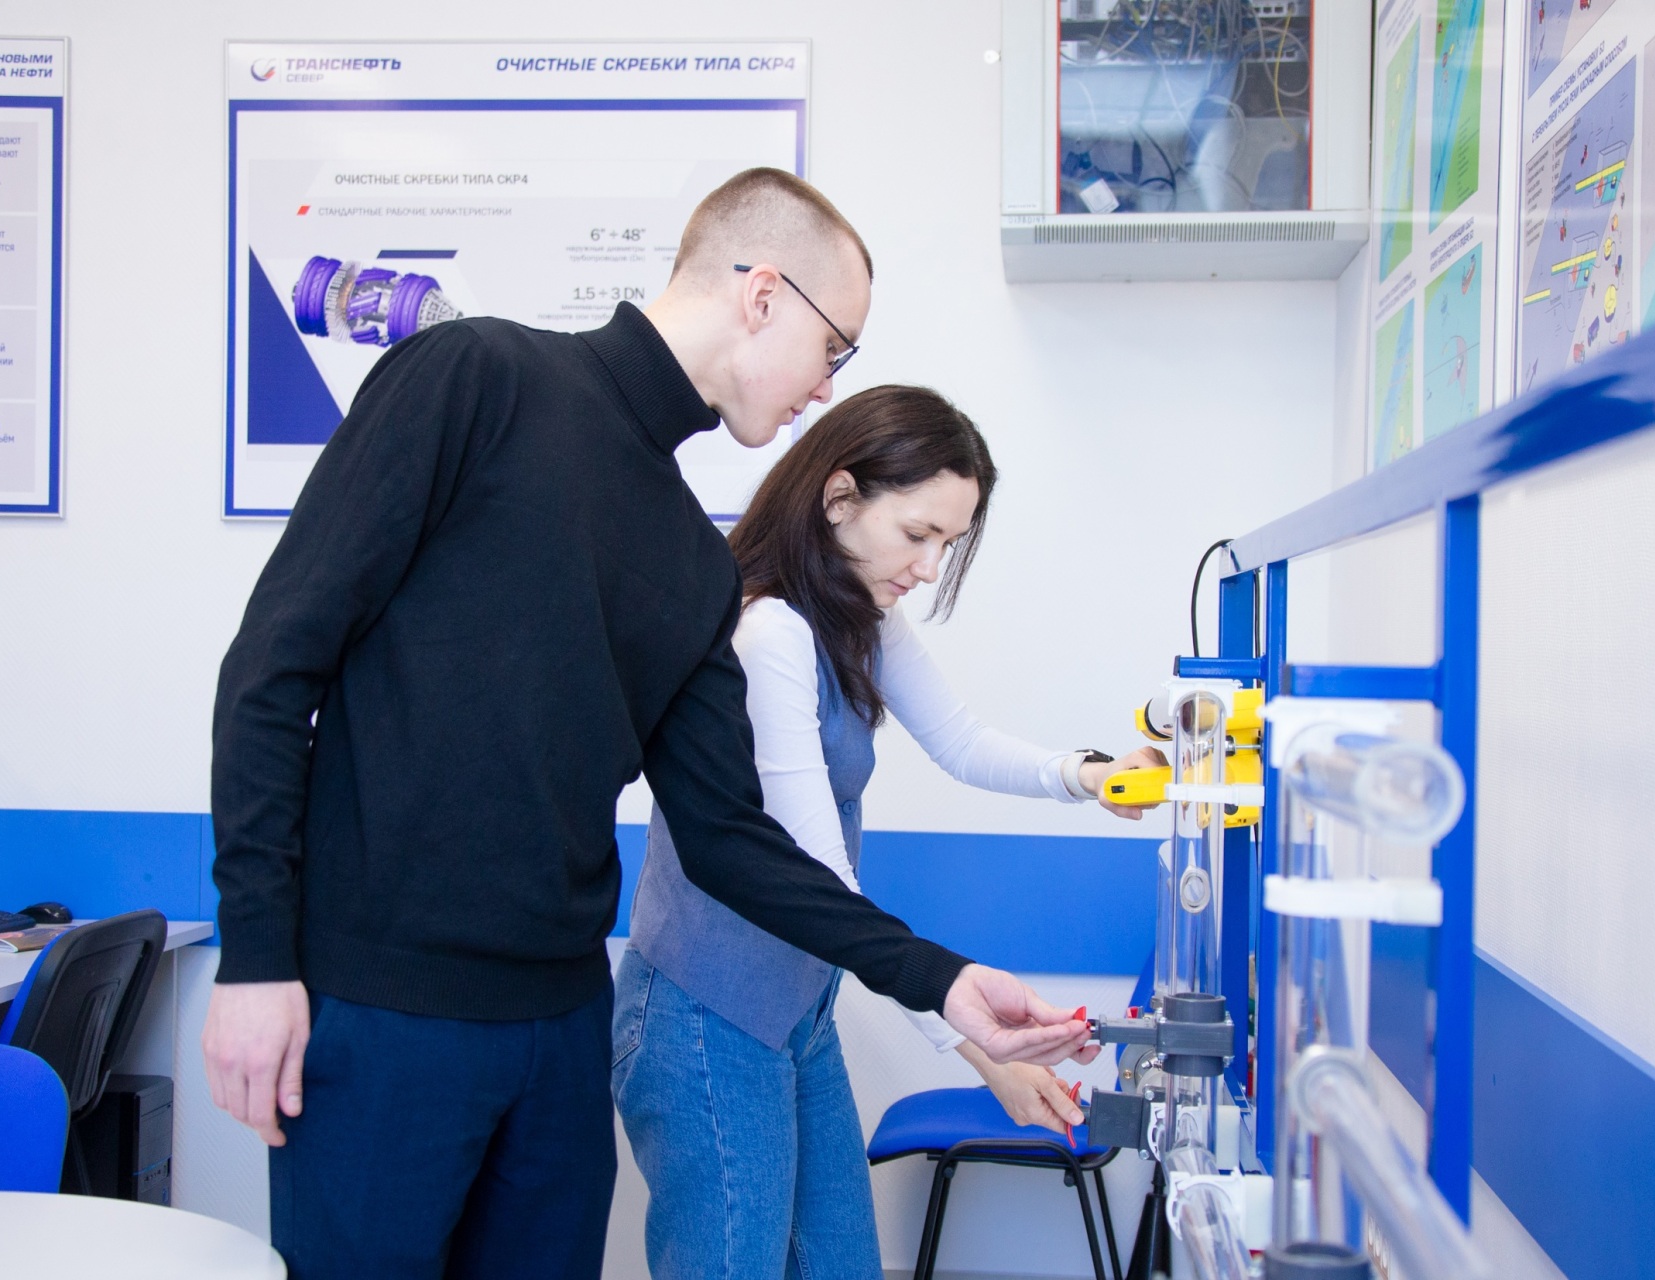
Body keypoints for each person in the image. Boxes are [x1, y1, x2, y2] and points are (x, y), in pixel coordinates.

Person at [202, 167, 1096, 1280]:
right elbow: (272, 666)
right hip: (383, 1011)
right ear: (762, 294)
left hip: (559, 1030)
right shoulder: (475, 378)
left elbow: (730, 839)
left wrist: (943, 980)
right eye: (833, 348)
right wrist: (254, 956)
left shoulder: (692, 560)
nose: (827, 388)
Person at [613, 385, 1159, 1279]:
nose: (930, 567)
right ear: (839, 498)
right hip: (704, 1018)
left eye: (948, 543)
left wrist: (1089, 774)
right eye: (918, 534)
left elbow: (962, 743)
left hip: (799, 1013)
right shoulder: (769, 632)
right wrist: (983, 1053)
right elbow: (823, 879)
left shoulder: (861, 617)